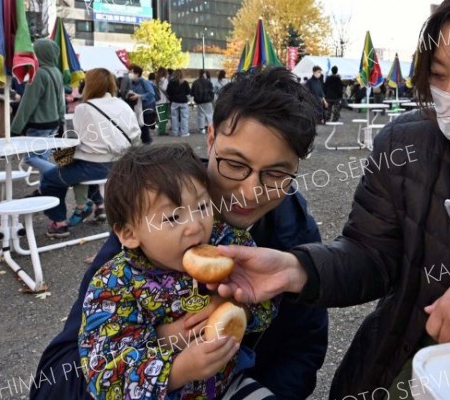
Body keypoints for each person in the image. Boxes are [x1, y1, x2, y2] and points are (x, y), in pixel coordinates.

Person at [208, 0, 450, 397]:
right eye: (438, 75)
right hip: (401, 370)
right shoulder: (406, 143)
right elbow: (372, 256)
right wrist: (299, 269)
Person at [30, 67, 328, 400]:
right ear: (211, 138)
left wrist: (245, 305)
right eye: (235, 163)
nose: (249, 191)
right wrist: (165, 342)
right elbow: (57, 381)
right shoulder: (151, 226)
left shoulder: (295, 232)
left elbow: (302, 351)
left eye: (275, 174)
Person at [78, 143, 277, 398]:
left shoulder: (228, 246)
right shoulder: (113, 284)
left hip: (227, 384)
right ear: (129, 233)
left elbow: (267, 300)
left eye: (202, 207)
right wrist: (178, 371)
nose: (194, 226)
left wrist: (239, 307)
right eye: (172, 217)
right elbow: (105, 375)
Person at [40, 68, 141, 238]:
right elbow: (136, 135)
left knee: (50, 179)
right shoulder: (123, 104)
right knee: (82, 166)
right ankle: (99, 206)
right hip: (123, 164)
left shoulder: (83, 108)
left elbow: (76, 140)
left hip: (94, 165)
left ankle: (59, 223)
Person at [11, 38, 65, 174]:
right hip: (53, 123)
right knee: (43, 158)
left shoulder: (38, 73)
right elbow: (61, 100)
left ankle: (57, 175)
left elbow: (27, 103)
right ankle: (44, 189)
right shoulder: (57, 72)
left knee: (31, 158)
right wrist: (61, 120)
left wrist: (15, 129)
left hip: (38, 126)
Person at [126, 64, 156, 144]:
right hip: (137, 109)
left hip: (146, 109)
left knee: (144, 130)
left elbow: (151, 94)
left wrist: (139, 96)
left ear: (137, 73)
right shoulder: (132, 83)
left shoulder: (144, 82)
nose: (129, 73)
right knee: (140, 129)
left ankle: (147, 147)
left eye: (131, 71)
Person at [166, 69, 191, 137]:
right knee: (184, 117)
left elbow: (168, 93)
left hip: (174, 102)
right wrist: (188, 100)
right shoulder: (185, 83)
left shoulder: (171, 82)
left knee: (174, 118)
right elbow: (188, 93)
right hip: (183, 102)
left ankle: (175, 132)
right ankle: (184, 132)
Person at [192, 69, 215, 134]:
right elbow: (212, 91)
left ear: (199, 74)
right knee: (209, 114)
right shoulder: (208, 82)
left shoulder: (195, 82)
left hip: (199, 101)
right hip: (208, 100)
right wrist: (211, 98)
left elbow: (192, 92)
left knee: (201, 115)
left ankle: (202, 129)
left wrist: (195, 99)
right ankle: (210, 127)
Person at [155, 67, 170, 135]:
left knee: (160, 116)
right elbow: (165, 89)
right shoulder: (165, 80)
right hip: (164, 100)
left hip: (157, 100)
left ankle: (160, 129)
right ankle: (162, 131)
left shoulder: (156, 80)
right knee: (163, 117)